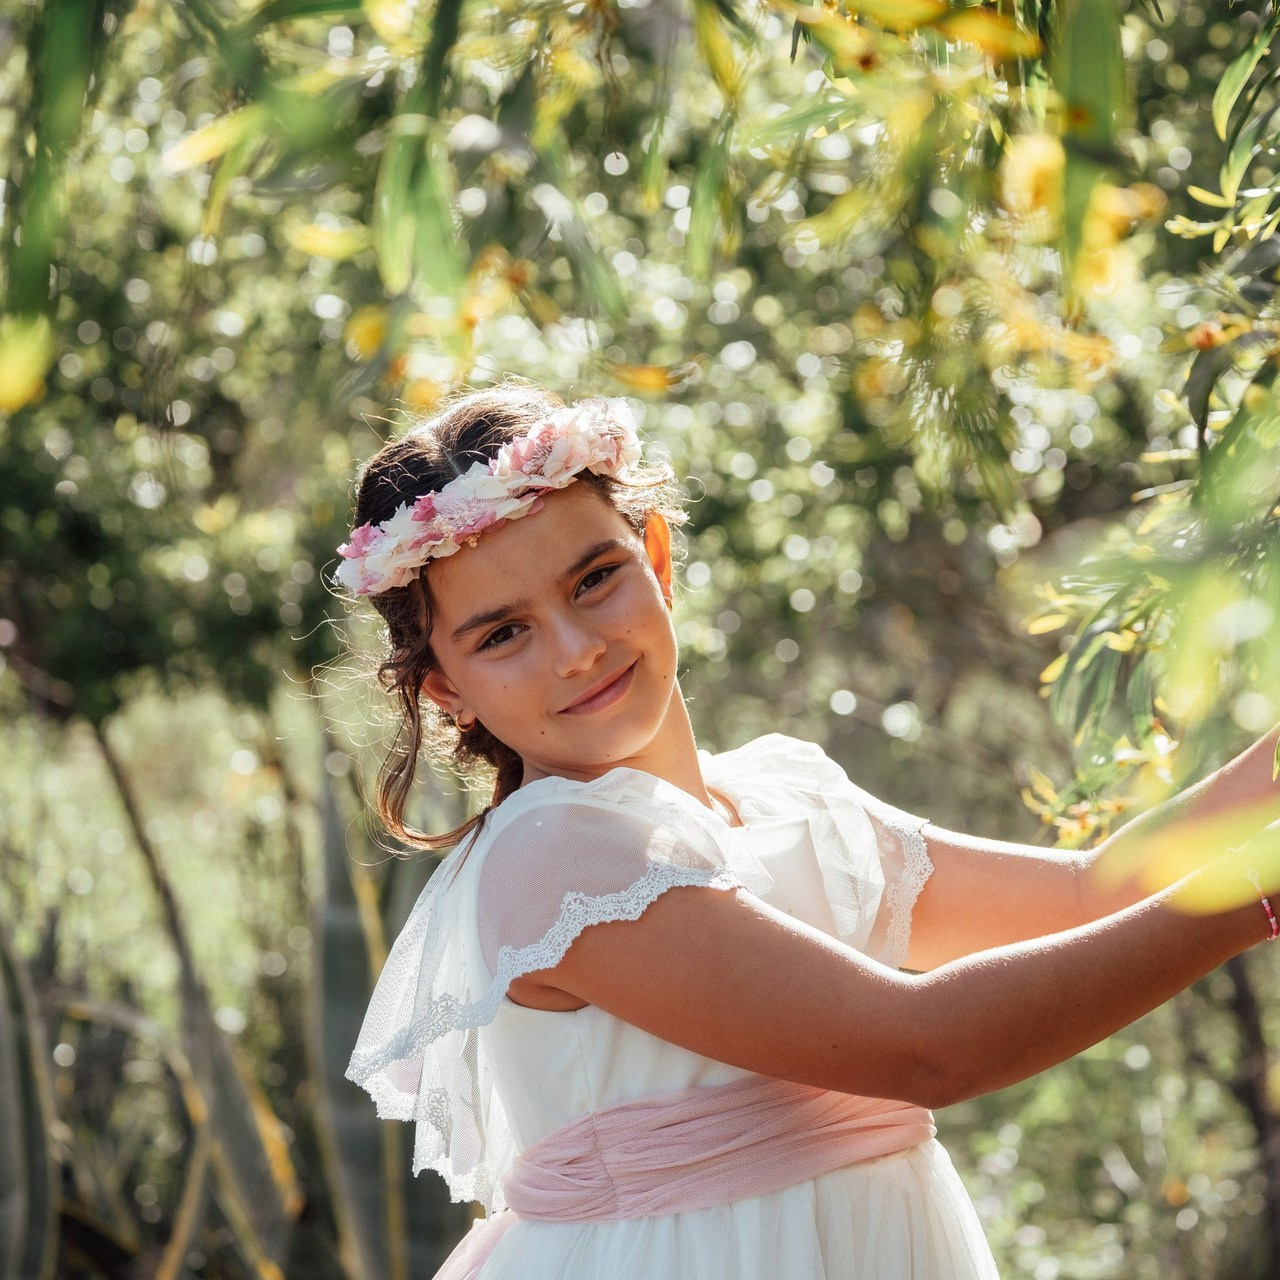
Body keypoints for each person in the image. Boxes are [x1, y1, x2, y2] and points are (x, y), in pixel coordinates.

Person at [339, 383, 1280, 1280]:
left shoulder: (788, 803)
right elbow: (927, 1047)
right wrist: (1257, 892)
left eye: (594, 578)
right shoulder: (554, 857)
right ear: (448, 689)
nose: (576, 648)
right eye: (503, 634)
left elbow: (1093, 893)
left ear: (656, 557)